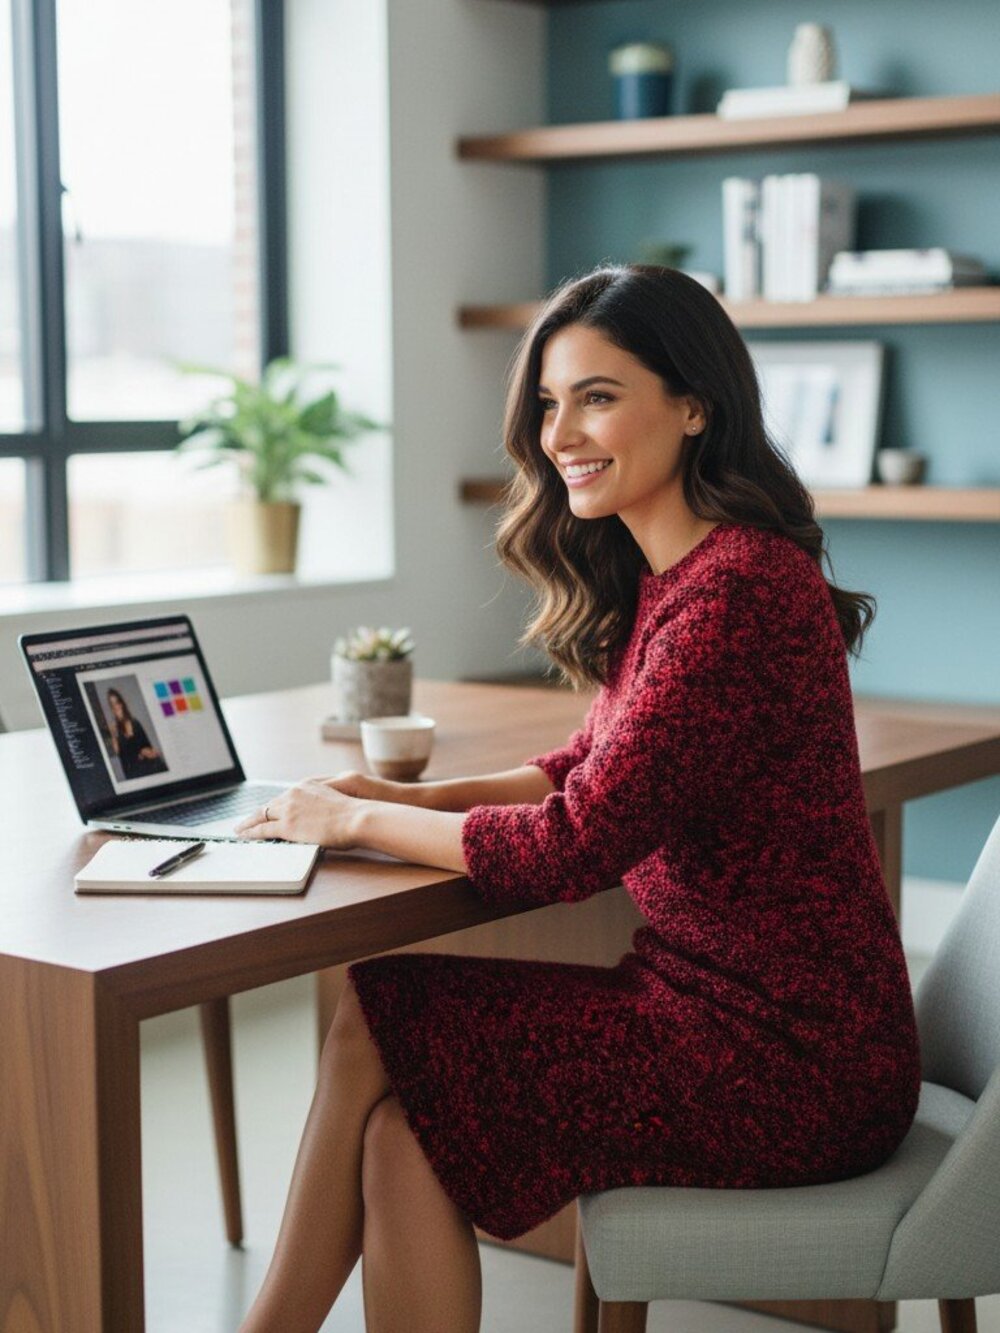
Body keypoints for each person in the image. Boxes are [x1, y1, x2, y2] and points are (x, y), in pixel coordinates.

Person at [235, 266, 921, 1333]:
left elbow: (570, 846)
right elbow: (578, 771)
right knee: (407, 1125)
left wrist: (356, 820)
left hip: (794, 1061)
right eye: (551, 404)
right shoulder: (677, 577)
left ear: (694, 406)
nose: (562, 433)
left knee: (376, 1011)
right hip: (714, 1010)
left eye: (597, 396)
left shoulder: (737, 591)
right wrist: (393, 791)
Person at [105, 687, 165, 779]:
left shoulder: (135, 722)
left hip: (147, 767)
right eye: (111, 704)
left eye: (116, 702)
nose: (115, 707)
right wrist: (113, 734)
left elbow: (145, 745)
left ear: (121, 704)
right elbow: (118, 752)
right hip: (132, 772)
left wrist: (147, 752)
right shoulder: (114, 728)